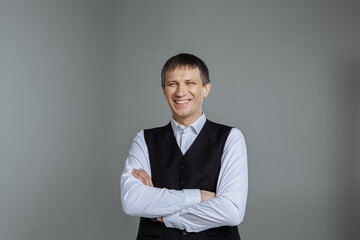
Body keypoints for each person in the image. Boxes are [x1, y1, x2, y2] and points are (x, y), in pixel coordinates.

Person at [120, 53, 248, 240]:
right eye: (173, 84)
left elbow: (231, 210)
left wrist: (164, 215)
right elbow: (132, 201)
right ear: (164, 90)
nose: (181, 92)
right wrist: (199, 197)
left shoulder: (231, 138)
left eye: (190, 83)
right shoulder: (144, 139)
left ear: (206, 88)